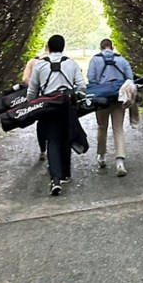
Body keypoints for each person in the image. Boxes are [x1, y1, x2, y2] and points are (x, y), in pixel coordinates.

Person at [26, 34, 87, 196]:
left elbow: (32, 90)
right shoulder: (71, 63)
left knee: (52, 140)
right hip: (66, 105)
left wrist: (31, 105)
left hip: (47, 106)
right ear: (63, 47)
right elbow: (81, 87)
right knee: (66, 137)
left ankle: (55, 178)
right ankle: (66, 172)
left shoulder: (40, 66)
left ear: (49, 47)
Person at [87, 38, 135, 176]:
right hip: (118, 99)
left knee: (102, 127)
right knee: (118, 128)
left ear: (101, 48)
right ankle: (120, 162)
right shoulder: (122, 60)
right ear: (112, 47)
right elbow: (130, 78)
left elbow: (91, 79)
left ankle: (101, 157)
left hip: (101, 99)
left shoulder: (95, 60)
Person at [22, 50, 47, 161]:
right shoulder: (64, 61)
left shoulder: (33, 62)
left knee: (41, 124)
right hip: (58, 98)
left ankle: (42, 150)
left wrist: (34, 85)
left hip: (39, 98)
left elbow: (25, 79)